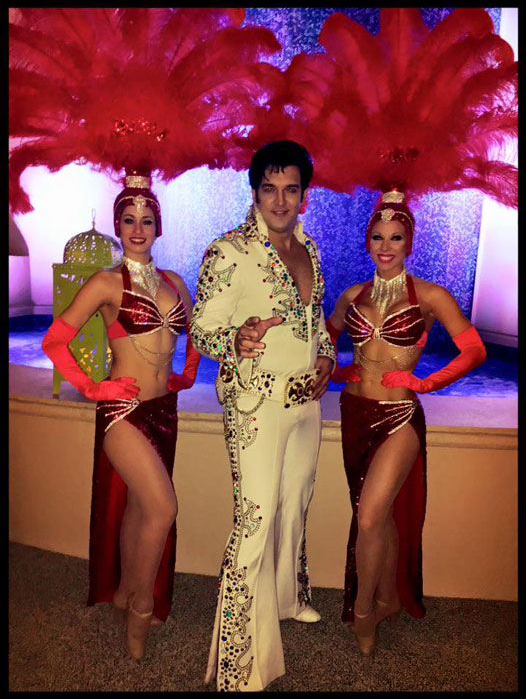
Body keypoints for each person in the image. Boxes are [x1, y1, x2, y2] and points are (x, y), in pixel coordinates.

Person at [190, 140, 336, 692]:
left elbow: (314, 320)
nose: (280, 200)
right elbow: (200, 329)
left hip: (306, 403)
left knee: (294, 503)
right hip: (257, 404)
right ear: (254, 192)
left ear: (303, 195)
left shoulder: (310, 247)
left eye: (290, 189)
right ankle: (237, 666)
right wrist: (236, 339)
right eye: (269, 189)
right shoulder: (228, 251)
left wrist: (326, 356)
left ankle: (286, 600)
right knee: (254, 523)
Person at [41, 172, 200, 661]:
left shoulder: (175, 282)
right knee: (163, 508)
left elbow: (194, 334)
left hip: (163, 410)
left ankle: (127, 590)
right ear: (117, 225)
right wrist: (93, 387)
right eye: (129, 220)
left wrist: (187, 375)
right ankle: (140, 608)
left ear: (158, 226)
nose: (138, 229)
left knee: (139, 508)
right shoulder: (106, 282)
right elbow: (55, 340)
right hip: (124, 412)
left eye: (147, 221)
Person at [326, 189, 487, 656]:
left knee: (369, 514)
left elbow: (474, 349)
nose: (385, 246)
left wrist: (426, 383)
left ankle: (363, 610)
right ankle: (388, 597)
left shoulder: (432, 296)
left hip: (399, 417)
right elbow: (325, 338)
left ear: (409, 242)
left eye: (395, 237)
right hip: (355, 413)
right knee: (381, 515)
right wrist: (336, 371)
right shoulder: (353, 295)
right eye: (377, 236)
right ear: (367, 240)